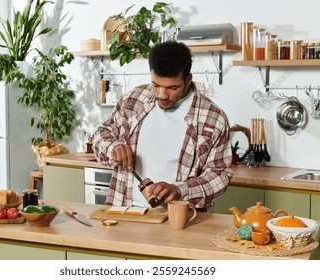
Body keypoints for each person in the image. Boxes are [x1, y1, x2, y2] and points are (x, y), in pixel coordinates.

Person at [92, 41, 232, 212]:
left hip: (181, 219)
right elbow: (101, 133)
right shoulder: (135, 99)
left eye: (172, 87)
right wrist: (114, 147)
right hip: (126, 212)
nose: (162, 95)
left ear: (188, 80)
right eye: (156, 85)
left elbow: (220, 175)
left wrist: (179, 190)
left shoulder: (213, 118)